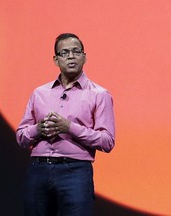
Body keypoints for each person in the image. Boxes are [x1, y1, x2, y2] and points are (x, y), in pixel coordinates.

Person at [16, 33, 115, 216]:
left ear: (84, 56)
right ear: (56, 60)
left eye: (76, 51)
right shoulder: (39, 93)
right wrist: (38, 128)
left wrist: (69, 127)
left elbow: (107, 141)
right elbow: (21, 137)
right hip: (39, 170)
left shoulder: (99, 94)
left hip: (75, 171)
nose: (71, 56)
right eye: (65, 52)